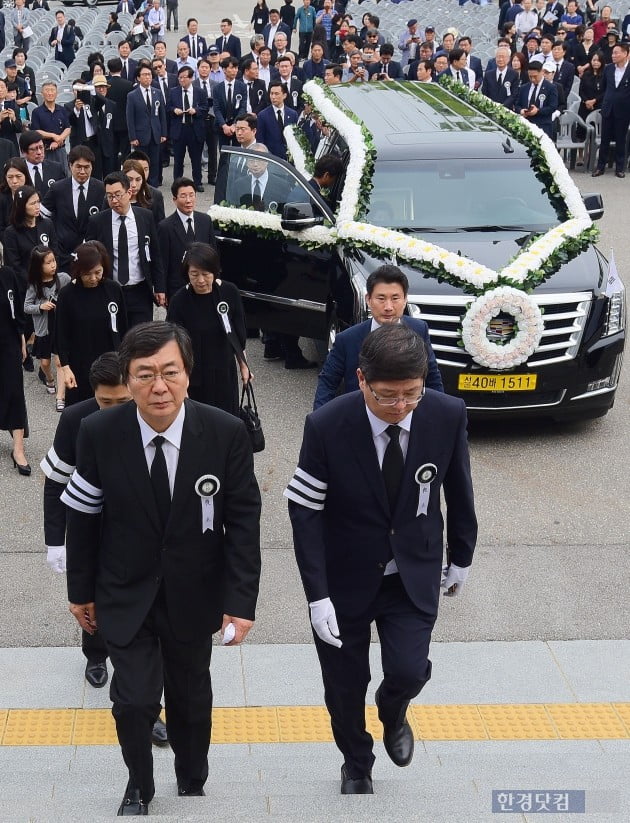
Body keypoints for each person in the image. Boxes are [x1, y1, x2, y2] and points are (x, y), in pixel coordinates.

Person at [62, 320, 261, 816]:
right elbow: (83, 516)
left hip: (195, 594)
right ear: (127, 380)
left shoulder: (224, 433)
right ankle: (138, 784)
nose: (158, 387)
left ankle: (192, 773)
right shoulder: (99, 432)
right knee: (132, 701)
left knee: (191, 697)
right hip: (124, 591)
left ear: (188, 374)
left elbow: (243, 524)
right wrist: (79, 590)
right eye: (144, 374)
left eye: (170, 372)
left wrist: (240, 602)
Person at [285, 323, 477, 795]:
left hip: (412, 570)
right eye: (387, 396)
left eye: (411, 394)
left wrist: (463, 556)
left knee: (409, 670)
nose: (400, 408)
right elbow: (304, 509)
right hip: (345, 577)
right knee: (344, 687)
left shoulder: (445, 414)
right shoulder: (327, 425)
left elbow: (459, 489)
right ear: (361, 380)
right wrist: (317, 596)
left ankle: (393, 710)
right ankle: (356, 763)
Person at [40, 350, 169, 746]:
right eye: (105, 402)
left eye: (123, 401)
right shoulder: (77, 421)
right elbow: (56, 483)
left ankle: (147, 708)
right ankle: (96, 654)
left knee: (144, 623)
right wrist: (55, 541)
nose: (114, 409)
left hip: (140, 535)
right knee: (92, 600)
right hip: (91, 529)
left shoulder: (154, 417)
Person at [314, 266, 443, 409]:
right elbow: (328, 382)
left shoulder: (419, 329)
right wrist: (319, 423)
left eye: (395, 298)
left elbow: (433, 378)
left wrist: (440, 416)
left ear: (405, 299)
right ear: (368, 299)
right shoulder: (348, 339)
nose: (388, 307)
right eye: (381, 298)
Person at [166, 243, 249, 413]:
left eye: (206, 274)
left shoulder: (229, 292)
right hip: (194, 374)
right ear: (186, 274)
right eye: (194, 274)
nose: (201, 280)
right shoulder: (179, 301)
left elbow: (238, 336)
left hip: (224, 372)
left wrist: (244, 366)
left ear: (215, 271)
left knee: (227, 421)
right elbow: (172, 345)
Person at [85, 171, 165, 326]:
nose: (114, 201)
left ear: (129, 193)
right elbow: (91, 258)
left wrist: (160, 287)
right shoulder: (98, 221)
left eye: (118, 195)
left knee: (141, 340)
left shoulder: (145, 217)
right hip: (111, 291)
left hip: (140, 290)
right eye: (109, 196)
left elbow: (155, 254)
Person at [55, 241, 128, 406]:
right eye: (87, 274)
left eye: (98, 272)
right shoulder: (67, 295)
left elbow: (124, 328)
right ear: (78, 271)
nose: (93, 278)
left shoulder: (113, 289)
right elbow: (61, 335)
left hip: (111, 363)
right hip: (79, 364)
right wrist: (65, 368)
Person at [40, 146, 104, 272]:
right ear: (70, 166)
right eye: (78, 167)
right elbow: (42, 216)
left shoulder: (101, 189)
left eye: (86, 167)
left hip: (92, 254)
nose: (82, 171)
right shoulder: (57, 188)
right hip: (63, 255)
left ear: (92, 167)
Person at [24, 245, 69, 409]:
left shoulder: (63, 278)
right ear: (38, 266)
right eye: (48, 262)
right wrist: (40, 307)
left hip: (61, 327)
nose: (53, 265)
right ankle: (49, 379)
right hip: (43, 330)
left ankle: (60, 397)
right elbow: (26, 306)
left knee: (59, 362)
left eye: (54, 261)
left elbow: (72, 294)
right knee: (44, 363)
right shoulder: (34, 285)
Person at [159, 177, 216, 299]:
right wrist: (161, 290)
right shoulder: (165, 227)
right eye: (183, 196)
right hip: (177, 289)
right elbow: (163, 262)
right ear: (174, 199)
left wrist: (216, 280)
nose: (188, 200)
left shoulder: (205, 221)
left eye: (191, 195)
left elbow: (214, 254)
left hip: (204, 285)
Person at [0, 251, 30, 475]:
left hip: (8, 339)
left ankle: (18, 449)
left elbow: (16, 308)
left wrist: (21, 337)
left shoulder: (8, 274)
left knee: (14, 390)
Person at [592, 42, 630, 178]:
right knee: (604, 139)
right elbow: (603, 88)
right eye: (613, 53)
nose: (613, 55)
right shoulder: (608, 69)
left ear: (625, 54)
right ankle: (600, 167)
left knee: (621, 139)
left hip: (624, 110)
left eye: (617, 53)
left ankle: (620, 168)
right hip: (608, 108)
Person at [126, 64, 168, 189]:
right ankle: (141, 187)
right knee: (141, 164)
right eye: (144, 75)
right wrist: (132, 137)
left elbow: (162, 115)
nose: (147, 77)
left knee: (154, 163)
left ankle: (153, 188)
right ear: (138, 78)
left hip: (155, 134)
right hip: (140, 135)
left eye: (149, 74)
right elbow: (130, 118)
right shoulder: (132, 95)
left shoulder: (157, 93)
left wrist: (163, 133)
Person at [168, 66, 208, 193]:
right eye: (179, 78)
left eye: (184, 77)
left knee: (196, 159)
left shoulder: (200, 92)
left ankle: (197, 182)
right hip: (179, 129)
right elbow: (167, 107)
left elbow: (205, 108)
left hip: (194, 128)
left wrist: (195, 110)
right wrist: (174, 110)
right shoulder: (173, 92)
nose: (181, 80)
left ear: (191, 78)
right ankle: (177, 183)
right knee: (178, 159)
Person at [29, 84, 71, 172]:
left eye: (52, 90)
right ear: (42, 93)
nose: (50, 93)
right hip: (44, 151)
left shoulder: (62, 110)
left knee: (63, 175)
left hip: (60, 150)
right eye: (47, 90)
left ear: (57, 93)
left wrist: (59, 140)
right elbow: (36, 131)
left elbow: (67, 128)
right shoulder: (37, 112)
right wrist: (53, 136)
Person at [515, 58, 559, 136]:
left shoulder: (551, 88)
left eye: (535, 76)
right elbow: (517, 104)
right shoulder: (524, 87)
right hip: (526, 125)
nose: (532, 79)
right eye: (530, 76)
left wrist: (538, 111)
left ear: (541, 72)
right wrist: (521, 111)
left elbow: (552, 107)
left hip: (543, 126)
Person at [255, 81, 298, 160]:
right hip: (271, 159)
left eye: (276, 94)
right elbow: (260, 141)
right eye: (271, 93)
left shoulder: (293, 114)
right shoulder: (262, 115)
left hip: (289, 160)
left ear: (284, 95)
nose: (273, 97)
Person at [213, 57, 247, 148]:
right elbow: (216, 109)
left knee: (237, 153)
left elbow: (243, 108)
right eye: (232, 68)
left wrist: (235, 125)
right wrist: (224, 126)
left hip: (237, 126)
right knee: (224, 154)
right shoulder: (217, 88)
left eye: (236, 68)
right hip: (222, 126)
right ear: (224, 69)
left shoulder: (242, 87)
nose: (234, 71)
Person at [0, 157, 31, 242]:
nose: (14, 181)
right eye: (10, 177)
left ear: (25, 175)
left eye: (18, 176)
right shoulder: (2, 199)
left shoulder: (34, 195)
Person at [0, 78, 21, 150]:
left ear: (6, 89)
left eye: (2, 87)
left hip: (11, 145)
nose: (0, 90)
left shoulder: (13, 105)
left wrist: (14, 119)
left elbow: (19, 129)